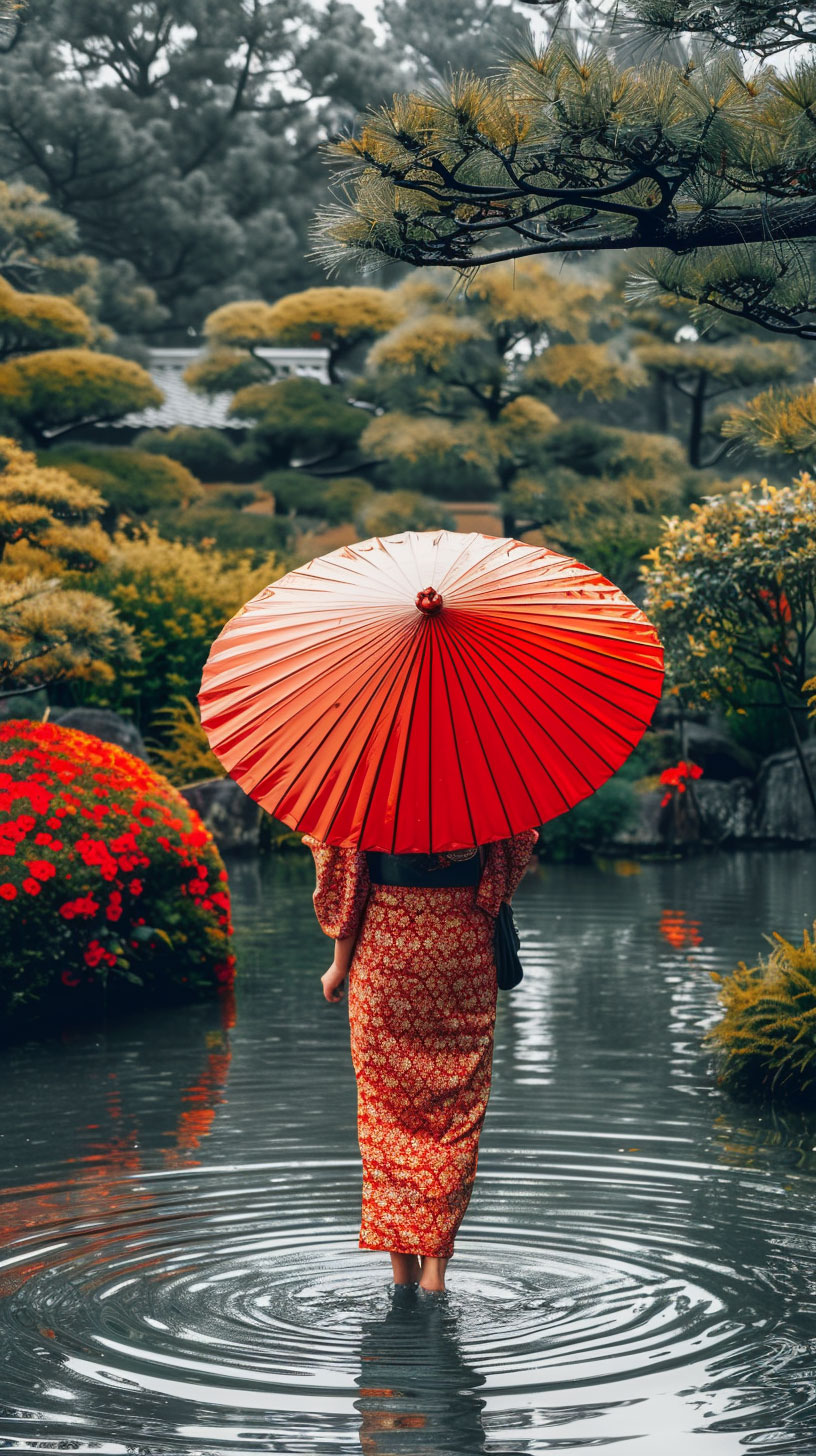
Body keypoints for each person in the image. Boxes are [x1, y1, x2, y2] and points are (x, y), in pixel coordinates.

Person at [304, 831, 538, 1294]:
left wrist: (338, 966)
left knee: (387, 1114)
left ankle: (402, 1274)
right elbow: (517, 847)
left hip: (388, 952)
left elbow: (347, 882)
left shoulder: (370, 793)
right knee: (454, 1112)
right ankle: (435, 1270)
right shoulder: (483, 786)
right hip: (461, 951)